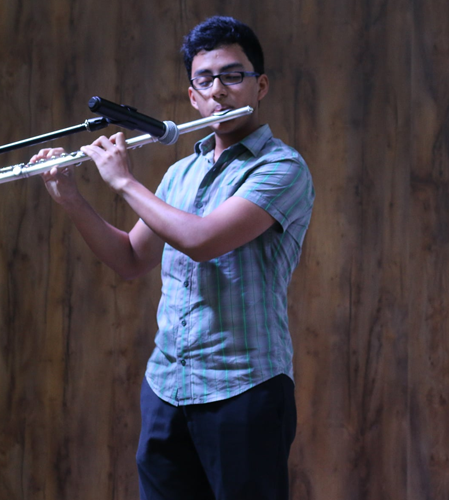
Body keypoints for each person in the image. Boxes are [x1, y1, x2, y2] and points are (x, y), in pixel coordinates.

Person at [33, 16, 314, 500]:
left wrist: (123, 181)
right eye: (204, 80)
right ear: (192, 97)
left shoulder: (281, 168)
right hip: (168, 388)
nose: (218, 91)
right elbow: (129, 258)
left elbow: (201, 240)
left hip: (243, 388)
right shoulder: (181, 172)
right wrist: (71, 198)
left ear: (260, 85)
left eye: (232, 76)